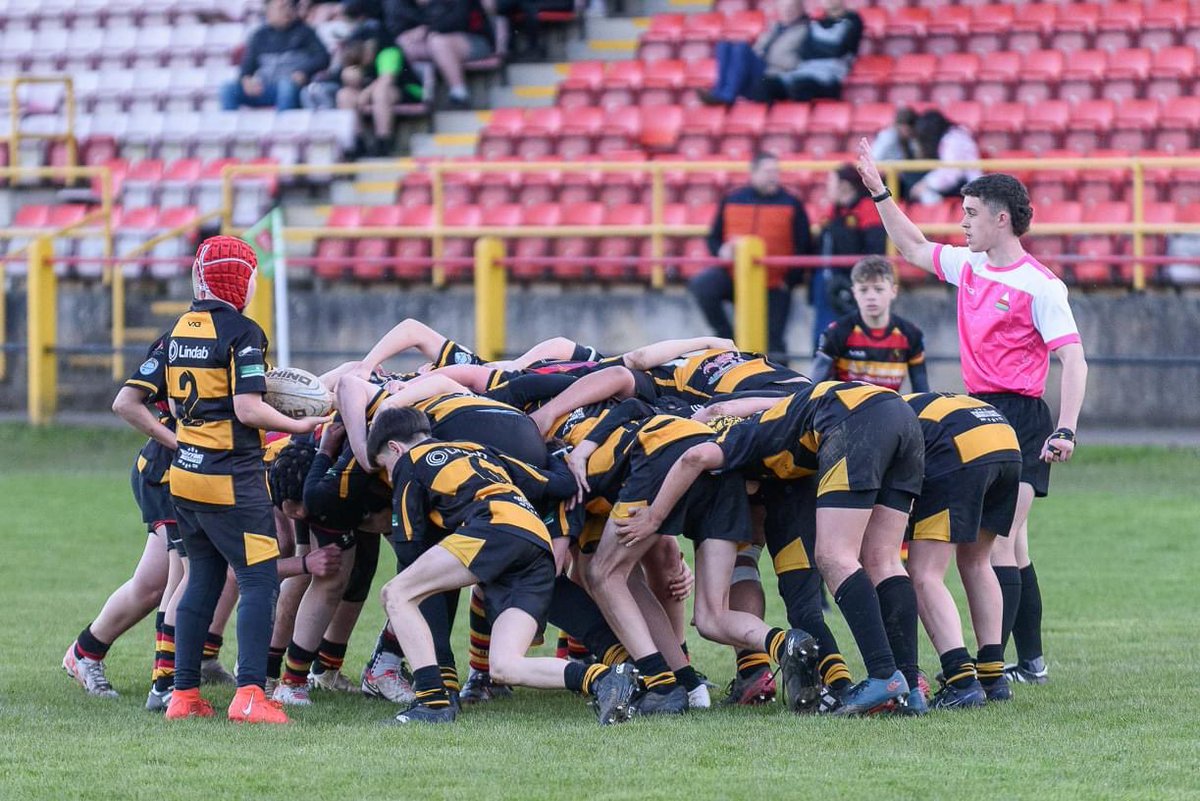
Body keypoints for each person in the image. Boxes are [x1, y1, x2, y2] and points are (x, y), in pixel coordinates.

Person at [856, 138, 1089, 684]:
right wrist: (879, 192)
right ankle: (1025, 658)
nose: (961, 224)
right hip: (975, 415)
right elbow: (912, 246)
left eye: (970, 214)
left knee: (998, 543)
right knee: (1008, 544)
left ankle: (994, 666)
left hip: (1025, 419)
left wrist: (1066, 430)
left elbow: (1073, 362)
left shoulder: (1041, 286)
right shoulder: (968, 265)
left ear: (1001, 219)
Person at [370, 407, 640, 725]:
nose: (389, 477)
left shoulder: (409, 463)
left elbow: (409, 543)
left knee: (397, 593)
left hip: (492, 528)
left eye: (384, 468)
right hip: (534, 541)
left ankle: (432, 703)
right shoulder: (477, 449)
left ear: (395, 448)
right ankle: (606, 679)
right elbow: (554, 484)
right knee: (504, 666)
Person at [162, 236, 327, 724]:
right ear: (243, 280)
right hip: (232, 479)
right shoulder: (244, 333)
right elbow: (248, 407)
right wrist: (303, 425)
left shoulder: (179, 329)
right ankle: (251, 693)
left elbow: (172, 407)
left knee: (202, 581)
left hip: (186, 477)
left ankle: (183, 695)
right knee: (259, 581)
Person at [902, 392, 1019, 709]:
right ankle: (993, 677)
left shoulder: (873, 420)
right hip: (1005, 442)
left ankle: (961, 680)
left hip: (959, 451)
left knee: (924, 573)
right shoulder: (904, 402)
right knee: (978, 561)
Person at [691, 152, 813, 361]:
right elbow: (714, 237)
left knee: (773, 339)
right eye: (768, 172)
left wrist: (789, 280)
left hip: (774, 283)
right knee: (703, 285)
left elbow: (804, 245)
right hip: (735, 276)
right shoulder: (732, 199)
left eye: (776, 171)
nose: (773, 176)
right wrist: (721, 251)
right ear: (753, 173)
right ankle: (726, 339)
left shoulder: (791, 203)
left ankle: (782, 384)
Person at [811, 255, 929, 392]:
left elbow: (922, 393)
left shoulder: (911, 335)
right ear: (854, 293)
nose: (871, 297)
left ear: (893, 291)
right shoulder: (836, 333)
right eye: (863, 290)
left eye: (878, 289)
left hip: (890, 411)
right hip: (844, 411)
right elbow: (812, 390)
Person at [809, 164, 888, 346]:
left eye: (831, 183)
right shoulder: (832, 211)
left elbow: (874, 249)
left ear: (844, 185)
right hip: (827, 284)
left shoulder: (867, 208)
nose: (827, 189)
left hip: (854, 282)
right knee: (823, 337)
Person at [221, 0, 331, 111]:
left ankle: (284, 126)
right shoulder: (259, 36)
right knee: (228, 89)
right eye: (282, 7)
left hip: (293, 87)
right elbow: (247, 67)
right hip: (266, 88)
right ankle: (226, 126)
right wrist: (246, 80)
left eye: (290, 6)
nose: (288, 10)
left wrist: (304, 71)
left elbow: (323, 57)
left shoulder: (305, 32)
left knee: (286, 86)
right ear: (269, 11)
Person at [697, 0, 807, 106]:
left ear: (801, 9)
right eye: (784, 7)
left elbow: (800, 62)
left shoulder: (805, 30)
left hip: (774, 74)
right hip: (759, 68)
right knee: (724, 45)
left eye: (791, 7)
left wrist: (768, 57)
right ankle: (719, 91)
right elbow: (758, 47)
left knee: (742, 47)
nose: (787, 11)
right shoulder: (774, 27)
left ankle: (728, 96)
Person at [397, 0, 496, 108]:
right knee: (404, 42)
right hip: (440, 44)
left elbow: (458, 21)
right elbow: (423, 21)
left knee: (438, 42)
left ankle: (459, 94)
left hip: (478, 42)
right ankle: (421, 92)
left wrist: (427, 30)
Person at [774, 0, 863, 101]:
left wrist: (818, 48)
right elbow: (805, 52)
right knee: (766, 86)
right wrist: (828, 48)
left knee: (799, 87)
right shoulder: (816, 22)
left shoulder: (853, 20)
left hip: (830, 77)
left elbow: (840, 51)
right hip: (806, 71)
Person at [907, 110, 983, 206]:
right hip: (959, 183)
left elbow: (951, 174)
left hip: (968, 185)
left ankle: (936, 211)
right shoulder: (949, 137)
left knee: (917, 183)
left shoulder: (954, 139)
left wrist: (925, 183)